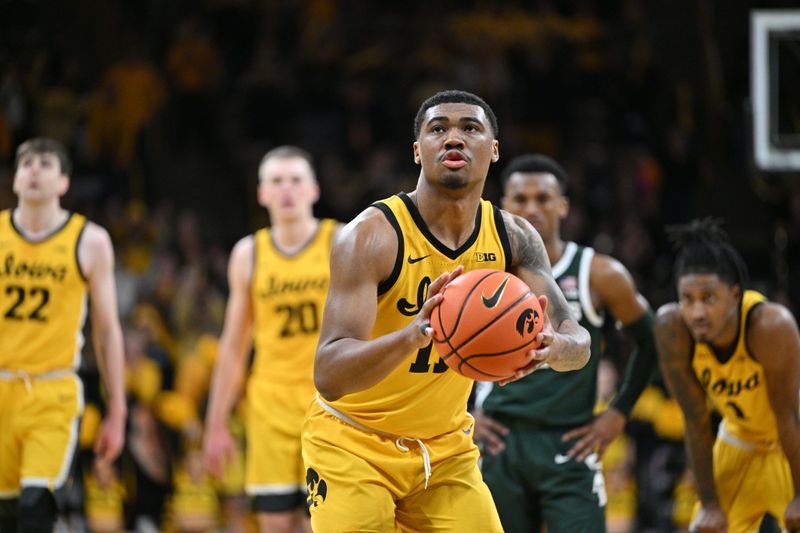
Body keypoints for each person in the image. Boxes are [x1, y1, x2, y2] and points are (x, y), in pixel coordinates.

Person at [303, 90, 591, 532]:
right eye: (438, 129)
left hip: (445, 450)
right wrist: (413, 334)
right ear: (418, 151)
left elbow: (579, 342)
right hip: (351, 442)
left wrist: (552, 349)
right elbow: (329, 374)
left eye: (470, 128)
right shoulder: (370, 236)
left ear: (494, 150)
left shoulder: (515, 237)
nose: (453, 138)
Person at [473, 153, 658, 533]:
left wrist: (619, 412)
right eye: (520, 199)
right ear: (503, 205)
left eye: (543, 198)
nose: (532, 208)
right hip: (500, 440)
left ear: (563, 206)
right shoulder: (485, 272)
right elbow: (444, 345)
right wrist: (465, 414)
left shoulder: (599, 273)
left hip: (570, 441)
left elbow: (650, 339)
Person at [203, 146, 339, 533]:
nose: (287, 190)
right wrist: (216, 423)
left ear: (314, 189)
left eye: (296, 180)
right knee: (276, 524)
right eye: (276, 181)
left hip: (330, 402)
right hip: (270, 405)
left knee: (326, 523)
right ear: (261, 193)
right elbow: (233, 346)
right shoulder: (248, 254)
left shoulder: (341, 239)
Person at [0, 137, 126, 533]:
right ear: (15, 179)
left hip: (52, 393)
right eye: (27, 165)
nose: (35, 170)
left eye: (46, 164)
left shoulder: (90, 241)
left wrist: (117, 407)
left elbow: (106, 331)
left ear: (64, 183)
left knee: (36, 510)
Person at [655, 218, 800, 533]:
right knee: (706, 527)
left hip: (790, 440)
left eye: (708, 298)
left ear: (735, 295)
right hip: (739, 440)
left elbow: (787, 415)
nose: (697, 313)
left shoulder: (770, 326)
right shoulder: (673, 328)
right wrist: (709, 505)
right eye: (687, 300)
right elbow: (695, 421)